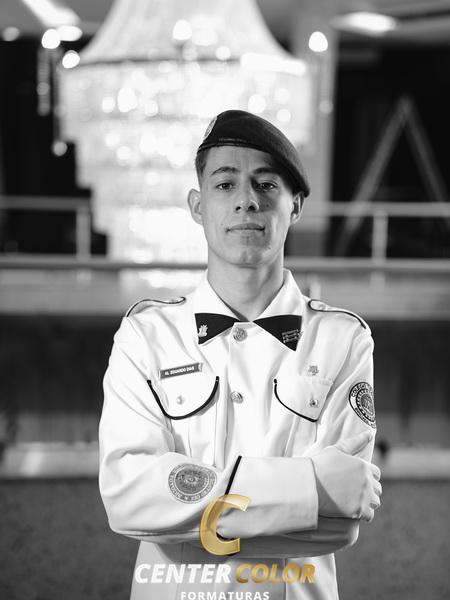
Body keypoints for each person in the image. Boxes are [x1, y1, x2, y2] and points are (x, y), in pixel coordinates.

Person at [99, 109, 382, 600]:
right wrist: (308, 490)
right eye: (225, 184)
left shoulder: (343, 339)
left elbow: (341, 525)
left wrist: (182, 512)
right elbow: (128, 498)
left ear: (295, 206)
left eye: (266, 185)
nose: (247, 200)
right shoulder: (144, 336)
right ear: (197, 205)